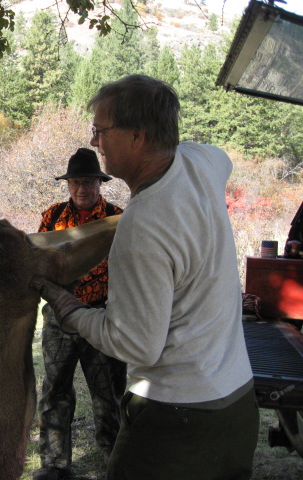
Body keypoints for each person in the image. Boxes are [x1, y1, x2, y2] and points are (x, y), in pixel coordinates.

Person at [31, 74, 259, 480]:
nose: (96, 141)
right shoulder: (199, 160)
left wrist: (69, 309)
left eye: (100, 131)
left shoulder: (142, 224)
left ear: (137, 136)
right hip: (238, 402)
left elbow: (136, 344)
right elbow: (224, 157)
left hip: (177, 418)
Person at [34, 148, 126, 480]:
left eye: (88, 181)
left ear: (100, 184)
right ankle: (55, 465)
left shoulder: (117, 218)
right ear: (68, 184)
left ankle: (115, 460)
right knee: (55, 390)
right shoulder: (52, 217)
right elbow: (39, 263)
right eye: (76, 182)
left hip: (101, 316)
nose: (82, 188)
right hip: (59, 318)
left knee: (109, 394)